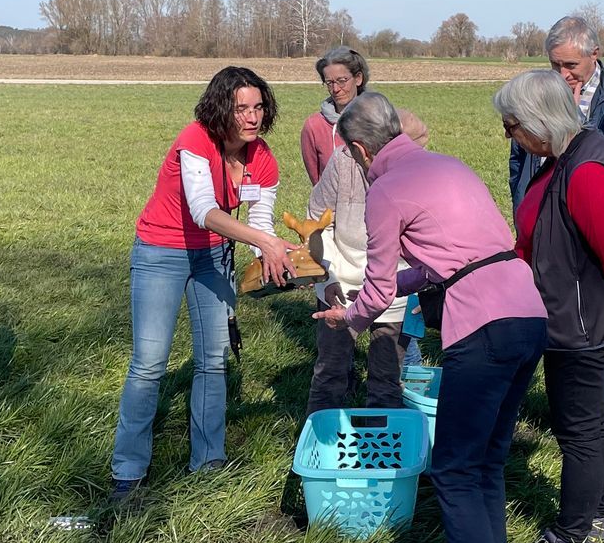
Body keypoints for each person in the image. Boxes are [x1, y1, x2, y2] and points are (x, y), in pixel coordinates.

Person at [315, 92, 548, 543]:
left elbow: (376, 291)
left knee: (454, 469)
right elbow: (446, 261)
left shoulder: (386, 190)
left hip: (481, 325)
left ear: (359, 150)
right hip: (527, 312)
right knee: (486, 462)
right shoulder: (449, 167)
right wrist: (385, 290)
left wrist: (350, 318)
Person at [497, 71, 604, 543]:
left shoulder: (586, 169)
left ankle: (572, 535)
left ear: (539, 121)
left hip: (579, 320)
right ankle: (599, 516)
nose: (509, 137)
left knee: (579, 431)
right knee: (592, 422)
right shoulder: (562, 158)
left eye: (512, 126)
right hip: (568, 312)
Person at [112, 66, 294, 501]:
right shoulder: (195, 140)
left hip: (214, 257)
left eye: (258, 107)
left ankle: (208, 462)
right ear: (220, 109)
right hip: (161, 252)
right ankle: (128, 472)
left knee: (213, 360)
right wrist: (265, 243)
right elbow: (203, 211)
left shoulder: (262, 157)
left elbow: (260, 221)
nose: (252, 117)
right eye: (241, 108)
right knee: (149, 364)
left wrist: (276, 260)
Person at [304, 103, 429, 415]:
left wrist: (419, 284)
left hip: (396, 288)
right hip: (341, 285)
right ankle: (318, 439)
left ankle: (383, 444)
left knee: (387, 380)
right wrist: (327, 276)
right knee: (331, 372)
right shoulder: (342, 162)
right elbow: (318, 223)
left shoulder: (415, 167)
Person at [509, 15, 604, 207]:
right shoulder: (538, 90)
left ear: (594, 54)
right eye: (555, 64)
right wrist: (522, 204)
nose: (562, 75)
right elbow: (519, 157)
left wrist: (574, 124)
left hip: (586, 209)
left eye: (571, 65)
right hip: (536, 207)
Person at [300, 45, 427, 185]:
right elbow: (317, 181)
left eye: (342, 81)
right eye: (329, 83)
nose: (335, 89)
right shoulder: (314, 126)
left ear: (358, 78)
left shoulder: (383, 119)